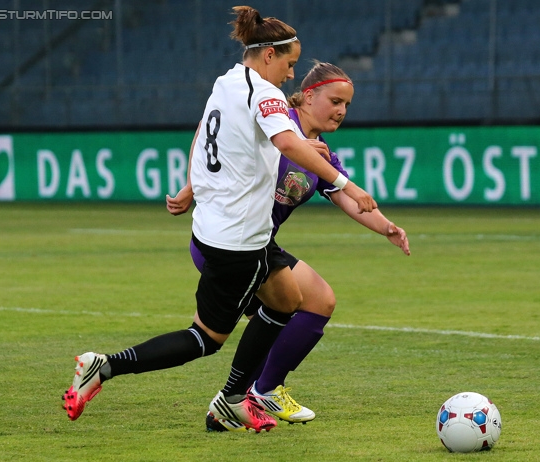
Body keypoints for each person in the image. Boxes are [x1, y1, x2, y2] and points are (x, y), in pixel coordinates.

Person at [61, 6, 376, 433]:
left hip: (222, 229)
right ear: (268, 56)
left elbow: (205, 133)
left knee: (287, 298)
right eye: (289, 63)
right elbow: (286, 141)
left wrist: (192, 184)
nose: (289, 74)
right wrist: (350, 185)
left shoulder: (226, 83)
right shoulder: (264, 94)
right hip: (238, 242)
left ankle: (244, 396)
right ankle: (113, 369)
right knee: (204, 340)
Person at [166, 62, 410, 432]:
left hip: (260, 246)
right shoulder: (275, 117)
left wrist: (387, 227)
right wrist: (192, 184)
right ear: (309, 95)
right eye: (335, 100)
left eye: (347, 104)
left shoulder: (320, 153)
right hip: (227, 244)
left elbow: (346, 196)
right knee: (271, 317)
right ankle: (241, 398)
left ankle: (261, 391)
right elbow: (210, 131)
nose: (342, 110)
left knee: (320, 301)